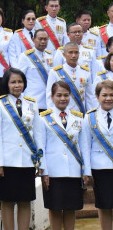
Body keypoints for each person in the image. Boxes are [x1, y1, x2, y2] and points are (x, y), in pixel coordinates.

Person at [0, 68, 43, 230]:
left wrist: (39, 162)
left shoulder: (32, 104)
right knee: (7, 201)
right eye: (13, 82)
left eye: (20, 82)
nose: (17, 85)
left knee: (25, 201)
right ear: (7, 84)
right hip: (7, 162)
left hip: (26, 160)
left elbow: (38, 134)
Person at [40, 81, 88, 230]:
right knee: (54, 208)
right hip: (53, 172)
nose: (63, 98)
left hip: (73, 171)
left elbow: (84, 146)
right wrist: (44, 172)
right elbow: (41, 147)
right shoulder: (44, 119)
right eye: (59, 95)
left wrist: (85, 171)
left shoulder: (79, 118)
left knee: (70, 208)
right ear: (52, 97)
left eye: (66, 95)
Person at [81, 80, 113, 230]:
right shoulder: (89, 117)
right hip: (99, 168)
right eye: (104, 95)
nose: (108, 98)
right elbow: (86, 146)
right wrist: (87, 171)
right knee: (103, 205)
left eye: (112, 95)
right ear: (97, 96)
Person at [46, 42, 95, 114]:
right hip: (62, 113)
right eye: (70, 53)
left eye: (76, 53)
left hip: (80, 112)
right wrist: (52, 114)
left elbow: (89, 96)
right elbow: (50, 95)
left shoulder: (86, 72)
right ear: (64, 54)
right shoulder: (55, 72)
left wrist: (90, 114)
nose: (74, 56)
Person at [18, 29, 53, 112]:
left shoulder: (50, 55)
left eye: (45, 39)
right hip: (32, 99)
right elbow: (19, 78)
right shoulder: (25, 56)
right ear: (33, 40)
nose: (43, 41)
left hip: (48, 101)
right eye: (40, 39)